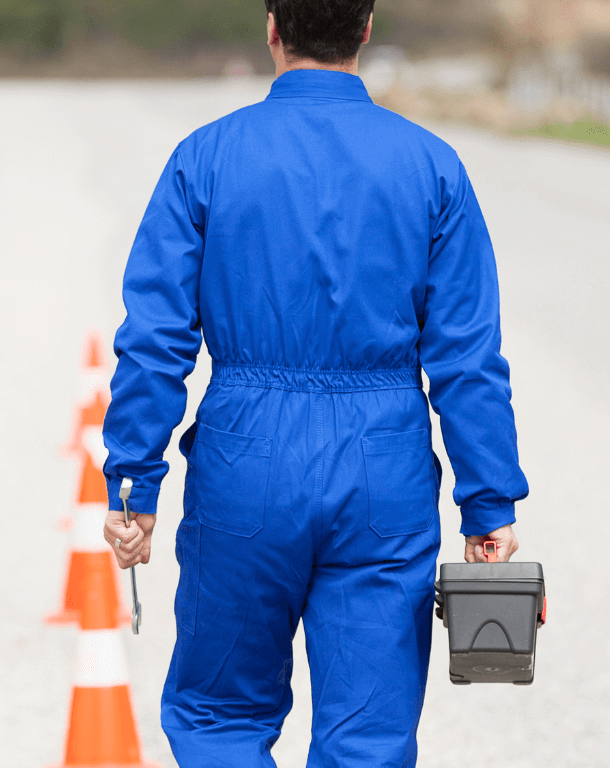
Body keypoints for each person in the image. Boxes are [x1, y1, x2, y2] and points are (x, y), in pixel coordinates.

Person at [101, 1, 528, 765]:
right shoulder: (431, 165)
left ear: (272, 28)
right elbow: (467, 356)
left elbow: (155, 340)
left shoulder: (205, 157)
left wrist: (134, 482)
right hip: (383, 466)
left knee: (218, 716)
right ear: (366, 28)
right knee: (368, 736)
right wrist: (487, 499)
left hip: (245, 457)